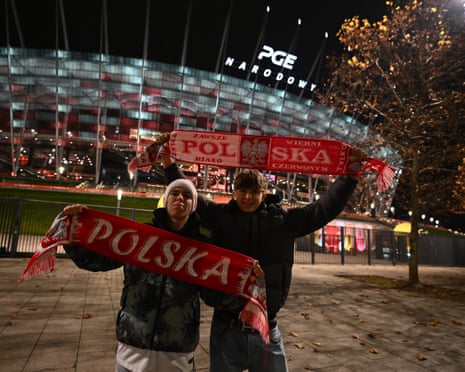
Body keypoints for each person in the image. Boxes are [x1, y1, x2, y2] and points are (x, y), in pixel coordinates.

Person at [156, 132, 367, 372]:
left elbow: (322, 210)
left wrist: (350, 177)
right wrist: (169, 164)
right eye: (242, 191)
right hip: (226, 326)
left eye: (254, 191)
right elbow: (190, 195)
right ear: (233, 193)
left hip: (267, 327)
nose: (248, 197)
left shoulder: (284, 221)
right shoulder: (219, 218)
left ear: (263, 194)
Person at [62, 179, 207, 372]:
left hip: (177, 357)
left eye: (187, 195)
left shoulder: (202, 249)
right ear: (166, 199)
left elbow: (216, 293)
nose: (180, 198)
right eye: (175, 193)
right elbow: (96, 260)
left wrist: (246, 278)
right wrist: (74, 230)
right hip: (131, 353)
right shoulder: (140, 237)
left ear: (193, 205)